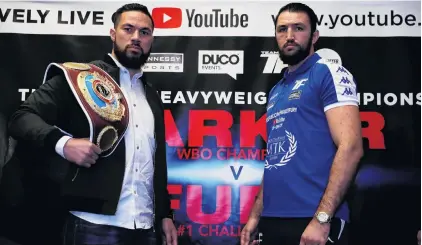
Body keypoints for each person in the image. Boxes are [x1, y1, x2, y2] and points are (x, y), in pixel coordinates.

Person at [8, 3, 177, 245]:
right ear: (113, 34)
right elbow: (21, 118)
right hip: (92, 225)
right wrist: (63, 143)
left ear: (151, 39)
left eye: (144, 32)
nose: (136, 38)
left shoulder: (151, 96)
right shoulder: (81, 79)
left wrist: (164, 214)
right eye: (128, 29)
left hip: (145, 228)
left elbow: (155, 163)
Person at [241, 2, 363, 245]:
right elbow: (275, 159)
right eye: (282, 29)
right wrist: (256, 215)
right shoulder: (277, 90)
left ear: (314, 35)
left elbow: (351, 147)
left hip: (313, 220)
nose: (289, 36)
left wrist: (322, 217)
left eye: (298, 28)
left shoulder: (328, 72)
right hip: (273, 219)